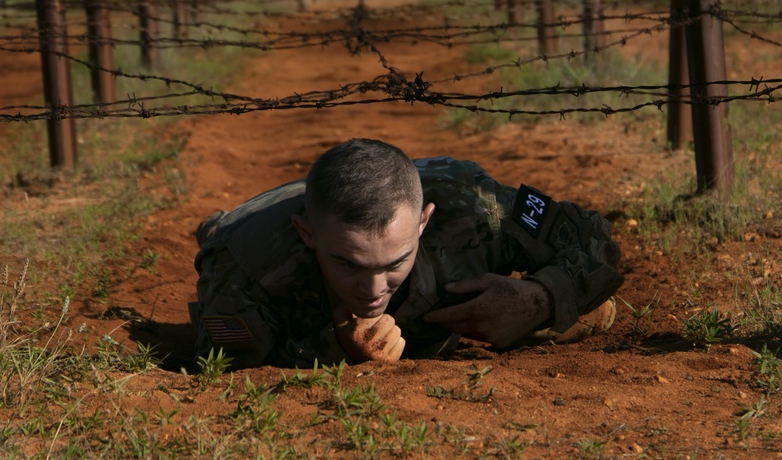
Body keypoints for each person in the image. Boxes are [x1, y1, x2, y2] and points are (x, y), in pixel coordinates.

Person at [191, 138, 623, 369]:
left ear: (423, 222)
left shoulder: (474, 206)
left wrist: (539, 298)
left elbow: (589, 236)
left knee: (593, 311)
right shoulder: (243, 267)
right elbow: (227, 365)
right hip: (254, 232)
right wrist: (335, 349)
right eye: (349, 264)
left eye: (394, 262)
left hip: (439, 261)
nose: (374, 290)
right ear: (307, 234)